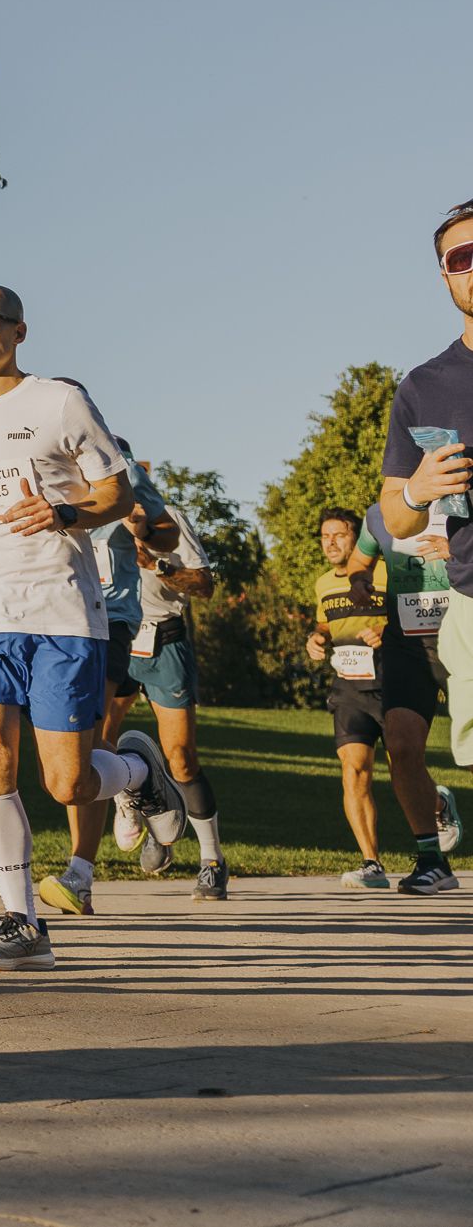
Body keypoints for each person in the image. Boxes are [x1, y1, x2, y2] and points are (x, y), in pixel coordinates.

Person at [0, 284, 183, 973]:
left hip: (63, 610)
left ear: (17, 329)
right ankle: (22, 922)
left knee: (66, 782)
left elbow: (115, 492)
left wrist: (64, 515)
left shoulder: (58, 400)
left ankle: (135, 768)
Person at [39, 425, 185, 915]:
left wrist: (143, 526)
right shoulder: (30, 458)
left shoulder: (117, 460)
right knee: (61, 756)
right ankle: (133, 774)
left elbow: (166, 534)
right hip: (45, 618)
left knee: (88, 737)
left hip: (108, 618)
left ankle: (80, 873)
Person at [376, 196, 473, 796]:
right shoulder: (424, 387)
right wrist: (416, 490)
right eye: (463, 257)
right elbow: (394, 516)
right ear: (445, 275)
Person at [102, 455, 229, 900]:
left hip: (162, 642)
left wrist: (158, 565)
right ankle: (139, 796)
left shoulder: (168, 520)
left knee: (181, 757)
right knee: (96, 741)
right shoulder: (89, 521)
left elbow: (206, 584)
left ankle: (212, 860)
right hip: (114, 635)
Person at [310, 507, 454, 893]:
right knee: (401, 748)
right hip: (401, 654)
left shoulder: (462, 504)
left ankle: (438, 816)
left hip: (460, 638)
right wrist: (358, 579)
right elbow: (359, 564)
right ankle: (429, 860)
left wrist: (461, 553)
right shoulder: (381, 515)